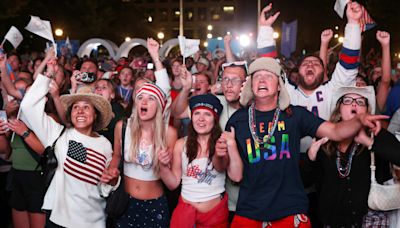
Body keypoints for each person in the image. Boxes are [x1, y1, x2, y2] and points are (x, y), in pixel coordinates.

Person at [227, 57, 386, 227]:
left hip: (290, 209)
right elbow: (234, 175)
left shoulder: (295, 115)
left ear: (279, 85)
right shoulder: (238, 120)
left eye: (269, 76)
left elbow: (335, 131)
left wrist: (359, 120)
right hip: (250, 210)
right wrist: (225, 149)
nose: (262, 80)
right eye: (257, 76)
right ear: (251, 84)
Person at [19, 57, 119, 227]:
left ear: (95, 115)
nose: (80, 111)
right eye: (75, 107)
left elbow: (104, 188)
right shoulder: (58, 134)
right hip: (60, 221)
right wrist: (48, 74)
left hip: (93, 222)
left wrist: (111, 181)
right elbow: (27, 106)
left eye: (86, 107)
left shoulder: (105, 144)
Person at [302, 86, 400, 227]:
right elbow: (307, 182)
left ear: (366, 111)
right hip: (332, 223)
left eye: (360, 102)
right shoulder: (325, 139)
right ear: (339, 110)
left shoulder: (376, 134)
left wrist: (369, 142)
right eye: (347, 100)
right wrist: (310, 157)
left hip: (370, 222)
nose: (354, 104)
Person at [108, 38, 177, 227]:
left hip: (155, 206)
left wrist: (156, 58)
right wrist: (111, 171)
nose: (144, 102)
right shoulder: (123, 127)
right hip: (126, 203)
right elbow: (116, 156)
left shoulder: (167, 133)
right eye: (140, 98)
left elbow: (164, 90)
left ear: (160, 106)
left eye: (150, 99)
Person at [159, 93, 242, 227]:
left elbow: (237, 176)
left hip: (215, 216)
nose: (201, 119)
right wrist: (162, 165)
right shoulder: (181, 144)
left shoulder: (222, 142)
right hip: (185, 214)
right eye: (197, 113)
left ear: (215, 119)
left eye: (207, 114)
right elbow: (172, 184)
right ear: (192, 117)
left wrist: (231, 145)